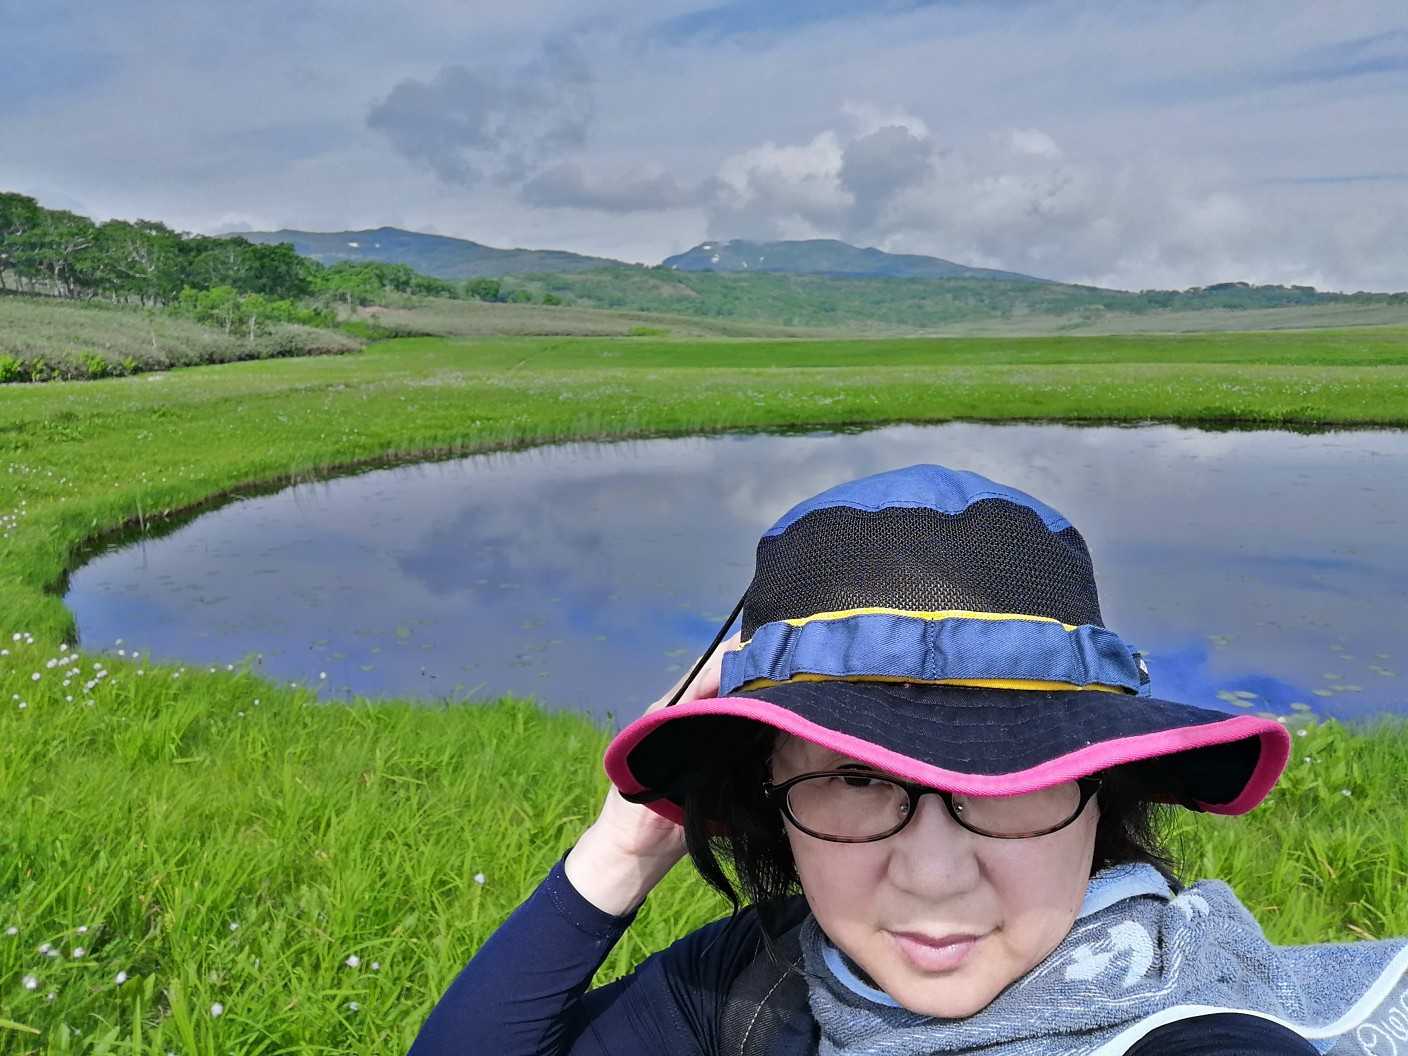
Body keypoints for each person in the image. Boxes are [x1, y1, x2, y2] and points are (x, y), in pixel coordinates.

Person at [408, 464, 1408, 1055]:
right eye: (855, 778)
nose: (932, 877)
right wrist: (627, 843)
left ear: (1102, 790)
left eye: (1009, 780)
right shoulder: (763, 978)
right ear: (768, 791)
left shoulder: (1190, 1020)